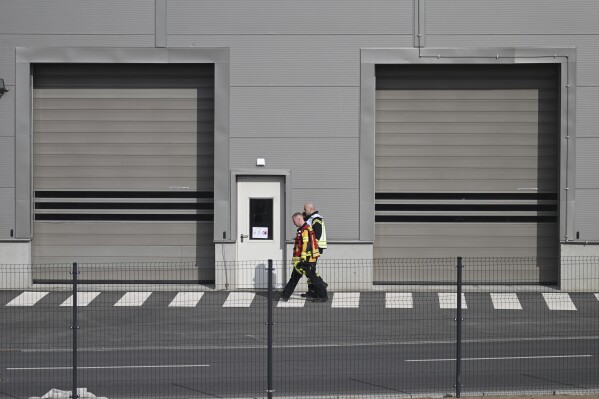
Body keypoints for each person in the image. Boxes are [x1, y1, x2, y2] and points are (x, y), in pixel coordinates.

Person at [280, 212, 328, 302]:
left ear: (298, 219)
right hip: (304, 259)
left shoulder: (305, 230)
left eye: (294, 221)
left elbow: (307, 245)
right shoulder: (303, 229)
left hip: (306, 259)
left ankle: (323, 296)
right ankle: (285, 295)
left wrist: (303, 259)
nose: (294, 224)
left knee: (312, 277)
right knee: (295, 276)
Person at [301, 202, 328, 298]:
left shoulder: (316, 219)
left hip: (313, 249)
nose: (304, 211)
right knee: (310, 270)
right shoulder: (311, 219)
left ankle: (320, 285)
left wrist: (311, 248)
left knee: (310, 270)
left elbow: (317, 234)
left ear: (310, 208)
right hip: (312, 248)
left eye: (305, 209)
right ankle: (312, 290)